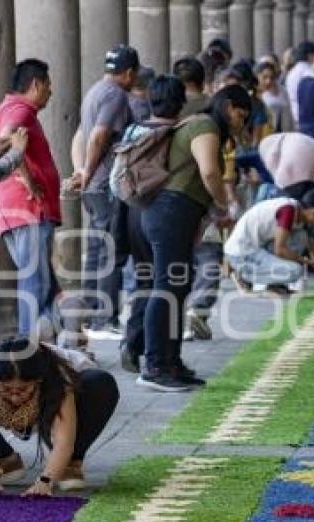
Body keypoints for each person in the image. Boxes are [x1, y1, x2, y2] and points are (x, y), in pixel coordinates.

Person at [139, 85, 250, 392]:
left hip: (178, 213)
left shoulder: (205, 125)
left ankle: (171, 362)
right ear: (228, 106)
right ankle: (154, 365)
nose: (241, 122)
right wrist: (222, 206)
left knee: (178, 286)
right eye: (242, 114)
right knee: (166, 287)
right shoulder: (205, 125)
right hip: (170, 211)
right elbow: (210, 172)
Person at [0, 338, 119, 494]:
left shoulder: (56, 377)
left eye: (23, 389)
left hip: (80, 394)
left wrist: (45, 481)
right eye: (6, 390)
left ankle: (69, 465)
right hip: (20, 401)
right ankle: (3, 460)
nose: (15, 396)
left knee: (100, 384)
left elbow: (64, 442)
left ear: (38, 381)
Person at [114, 76, 188, 372]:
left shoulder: (134, 129)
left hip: (130, 212)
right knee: (166, 283)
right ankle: (158, 354)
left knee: (145, 282)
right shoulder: (177, 134)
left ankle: (132, 344)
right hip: (159, 213)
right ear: (180, 103)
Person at [0, 59, 61, 339]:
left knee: (39, 283)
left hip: (14, 209)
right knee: (36, 284)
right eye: (48, 86)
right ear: (36, 85)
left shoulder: (4, 109)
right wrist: (30, 181)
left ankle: (45, 347)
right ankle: (27, 352)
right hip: (28, 208)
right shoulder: (20, 110)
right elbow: (9, 136)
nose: (50, 93)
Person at [72, 45, 139, 340]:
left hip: (94, 183)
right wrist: (88, 171)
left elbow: (81, 135)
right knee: (110, 251)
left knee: (97, 248)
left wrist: (83, 171)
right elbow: (98, 135)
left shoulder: (96, 90)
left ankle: (89, 310)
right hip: (105, 183)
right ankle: (104, 318)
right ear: (128, 73)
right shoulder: (115, 95)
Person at [225, 187, 314, 289]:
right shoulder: (288, 211)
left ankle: (274, 283)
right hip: (242, 252)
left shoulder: (300, 215)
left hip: (257, 247)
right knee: (295, 271)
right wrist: (309, 262)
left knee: (301, 238)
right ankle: (245, 275)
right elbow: (280, 250)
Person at [256, 60, 293, 135]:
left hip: (283, 133)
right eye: (264, 77)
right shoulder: (255, 94)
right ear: (258, 76)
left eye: (271, 78)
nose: (268, 81)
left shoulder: (282, 91)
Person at [286, 41, 314, 128]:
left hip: (294, 114)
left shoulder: (291, 73)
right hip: (309, 118)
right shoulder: (310, 73)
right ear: (310, 55)